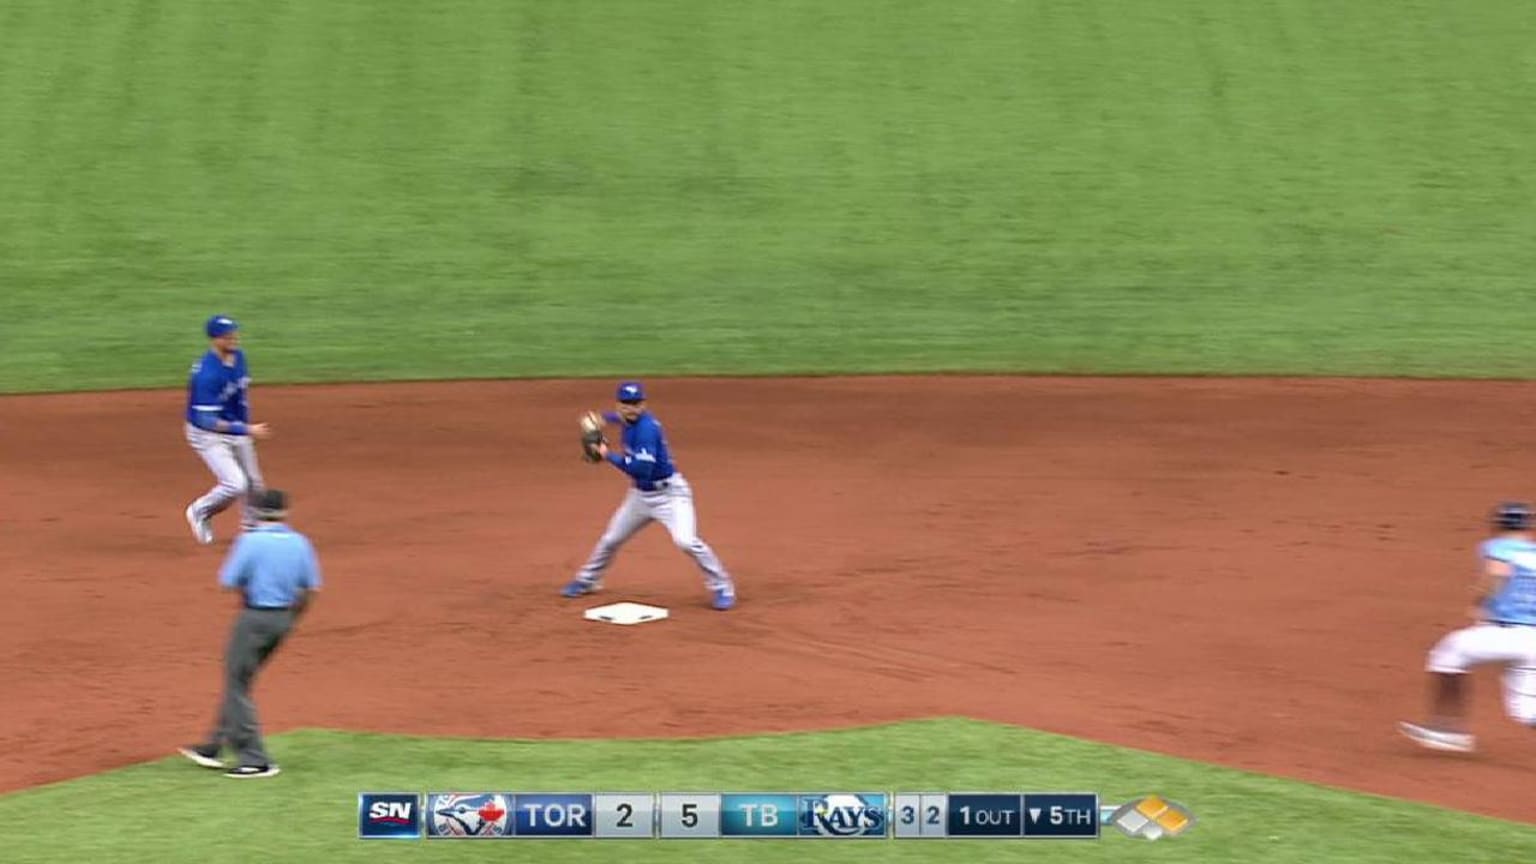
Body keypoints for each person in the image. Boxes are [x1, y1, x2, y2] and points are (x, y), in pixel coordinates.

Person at [179, 489, 321, 778]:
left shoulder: (251, 541)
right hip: (284, 620)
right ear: (285, 511)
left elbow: (228, 581)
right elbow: (310, 589)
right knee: (240, 680)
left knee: (236, 683)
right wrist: (292, 618)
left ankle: (256, 759)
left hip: (255, 618)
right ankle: (214, 746)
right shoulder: (300, 543)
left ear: (256, 512)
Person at [563, 380, 737, 610]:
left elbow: (640, 469)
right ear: (619, 405)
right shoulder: (625, 418)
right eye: (626, 403)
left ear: (643, 404)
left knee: (686, 541)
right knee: (611, 539)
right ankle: (588, 580)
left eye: (636, 403)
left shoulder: (647, 429)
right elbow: (617, 418)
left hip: (671, 496)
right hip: (641, 496)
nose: (631, 407)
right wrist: (600, 418)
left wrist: (608, 455)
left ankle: (722, 586)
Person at [1399, 502, 1536, 753]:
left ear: (1497, 524)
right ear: (1529, 525)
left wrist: (1480, 600)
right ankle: (1448, 731)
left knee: (1448, 653)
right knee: (1527, 712)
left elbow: (1498, 571)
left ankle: (1449, 730)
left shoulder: (1499, 546)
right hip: (1533, 641)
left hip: (1506, 633)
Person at [183, 314, 270, 545]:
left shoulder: (239, 357)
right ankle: (200, 511)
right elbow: (207, 421)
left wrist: (244, 431)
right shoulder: (207, 376)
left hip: (235, 427)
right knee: (235, 483)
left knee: (254, 482)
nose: (234, 338)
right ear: (214, 339)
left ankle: (252, 529)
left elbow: (240, 398)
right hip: (207, 434)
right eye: (227, 335)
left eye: (234, 333)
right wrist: (246, 429)